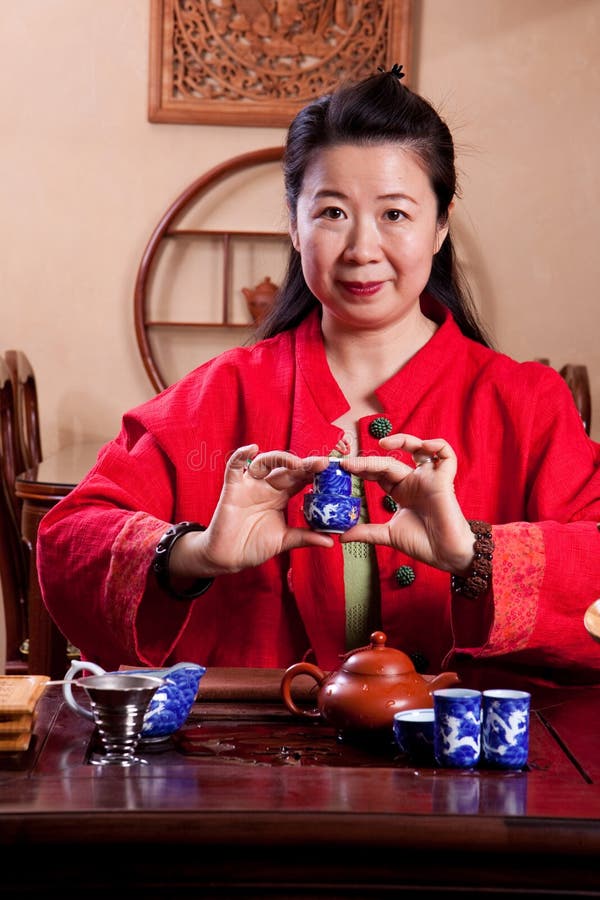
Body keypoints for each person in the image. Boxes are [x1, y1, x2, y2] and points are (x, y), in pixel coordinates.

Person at [37, 65, 600, 688]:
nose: (362, 247)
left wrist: (476, 554)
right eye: (332, 212)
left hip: (468, 774)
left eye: (395, 214)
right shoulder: (223, 394)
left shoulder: (525, 403)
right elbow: (69, 541)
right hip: (254, 767)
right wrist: (194, 555)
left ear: (440, 225)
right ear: (294, 223)